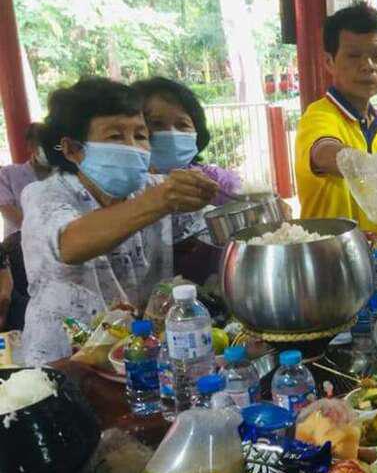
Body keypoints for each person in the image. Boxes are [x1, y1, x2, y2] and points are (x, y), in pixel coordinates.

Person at [21, 77, 219, 365]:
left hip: (137, 354)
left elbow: (214, 226)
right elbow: (69, 245)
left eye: (140, 136)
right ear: (73, 149)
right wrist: (159, 201)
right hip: (64, 362)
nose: (133, 147)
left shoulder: (152, 188)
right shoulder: (45, 194)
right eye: (115, 137)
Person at [295, 3, 377, 244]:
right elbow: (324, 153)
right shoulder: (319, 116)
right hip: (332, 258)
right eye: (354, 56)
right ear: (329, 62)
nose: (368, 66)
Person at [132, 76, 242, 203]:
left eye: (182, 125)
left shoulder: (219, 183)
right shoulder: (125, 188)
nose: (172, 134)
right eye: (157, 124)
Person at [0, 123, 51, 238]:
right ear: (31, 146)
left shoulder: (66, 176)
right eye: (44, 145)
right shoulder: (8, 174)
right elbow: (8, 210)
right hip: (19, 243)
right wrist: (47, 233)